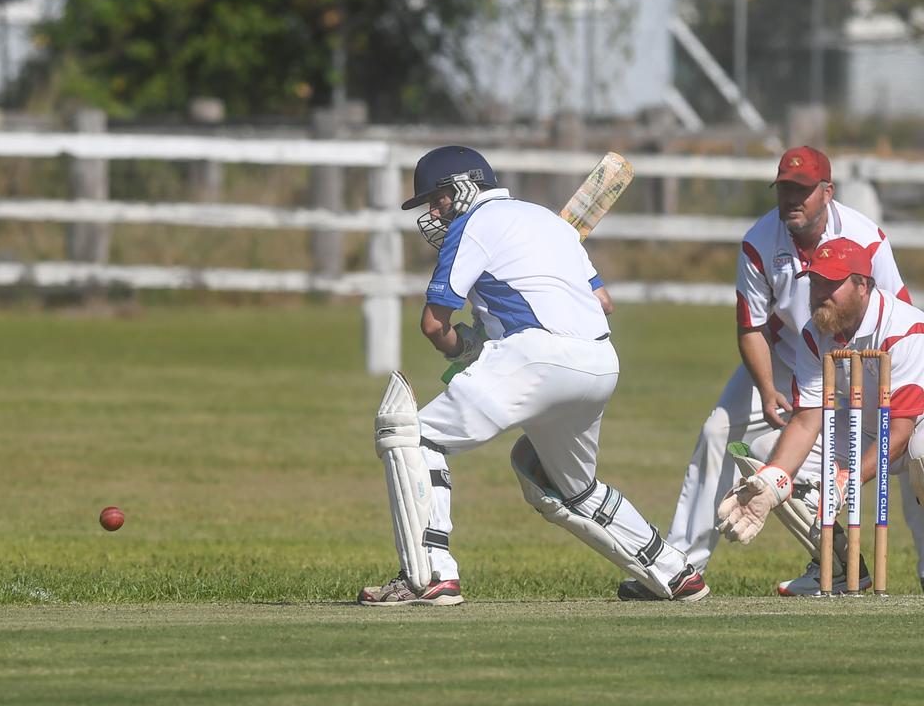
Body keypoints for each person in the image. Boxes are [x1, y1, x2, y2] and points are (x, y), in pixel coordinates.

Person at [358, 145, 708, 605]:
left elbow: (433, 324)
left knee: (414, 439)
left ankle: (429, 576)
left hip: (535, 356)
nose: (433, 211)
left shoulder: (472, 225)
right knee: (566, 486)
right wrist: (494, 331)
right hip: (600, 361)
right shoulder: (550, 222)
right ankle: (675, 572)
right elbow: (603, 303)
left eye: (438, 198)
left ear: (464, 187)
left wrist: (465, 347)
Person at [620, 145, 924, 599]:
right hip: (797, 354)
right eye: (784, 189)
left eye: (802, 190)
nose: (792, 199)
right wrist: (767, 407)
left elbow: (893, 312)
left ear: (827, 192)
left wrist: (857, 464)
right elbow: (752, 328)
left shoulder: (867, 240)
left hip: (878, 360)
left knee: (911, 452)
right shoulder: (762, 243)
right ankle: (681, 569)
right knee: (733, 439)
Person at [716, 237, 924, 559]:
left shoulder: (905, 329)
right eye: (815, 282)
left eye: (831, 284)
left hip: (913, 428)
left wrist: (849, 482)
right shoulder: (815, 333)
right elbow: (806, 420)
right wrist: (772, 484)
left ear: (862, 286)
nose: (819, 294)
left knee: (921, 453)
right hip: (867, 427)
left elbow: (900, 431)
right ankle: (834, 565)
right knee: (765, 456)